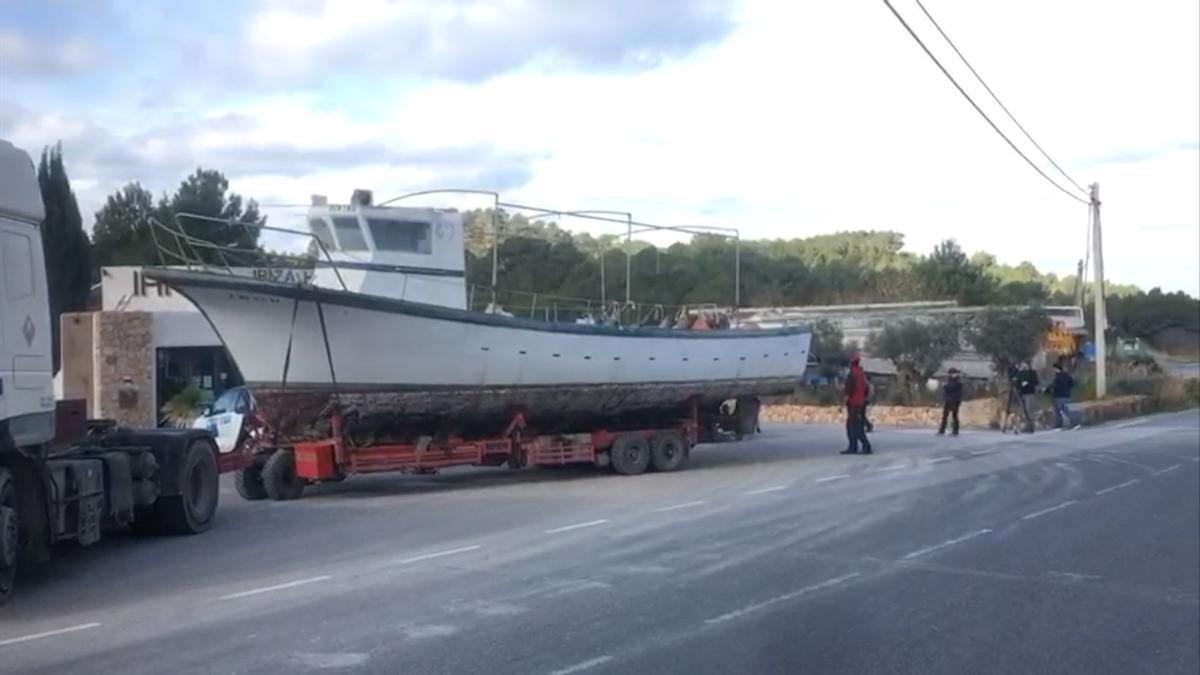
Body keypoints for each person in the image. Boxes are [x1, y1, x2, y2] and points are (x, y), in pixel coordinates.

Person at [840, 355, 872, 455]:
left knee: (852, 427)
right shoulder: (862, 374)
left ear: (851, 364)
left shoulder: (852, 375)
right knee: (857, 426)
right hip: (862, 403)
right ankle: (856, 447)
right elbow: (866, 389)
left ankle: (862, 447)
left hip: (854, 403)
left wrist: (843, 403)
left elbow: (848, 391)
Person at [1048, 360, 1075, 429]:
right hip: (1066, 395)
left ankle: (1059, 424)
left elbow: (1055, 386)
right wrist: (1067, 389)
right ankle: (1073, 422)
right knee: (1065, 410)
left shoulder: (1057, 377)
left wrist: (1049, 390)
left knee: (1058, 411)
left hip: (1058, 396)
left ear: (1056, 369)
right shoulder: (1067, 375)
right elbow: (1072, 383)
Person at [937, 368, 963, 436]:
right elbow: (948, 390)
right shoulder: (950, 380)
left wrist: (945, 386)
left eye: (952, 373)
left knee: (954, 415)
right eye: (950, 373)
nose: (951, 375)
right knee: (945, 415)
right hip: (948, 400)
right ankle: (942, 430)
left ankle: (955, 431)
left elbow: (951, 388)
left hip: (955, 400)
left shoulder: (958, 381)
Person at [1017, 362, 1040, 433]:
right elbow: (1018, 383)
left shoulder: (1031, 373)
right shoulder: (1020, 373)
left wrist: (1028, 384)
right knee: (1025, 410)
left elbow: (1035, 383)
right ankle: (1027, 425)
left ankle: (1030, 425)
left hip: (1028, 393)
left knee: (1028, 410)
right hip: (1024, 393)